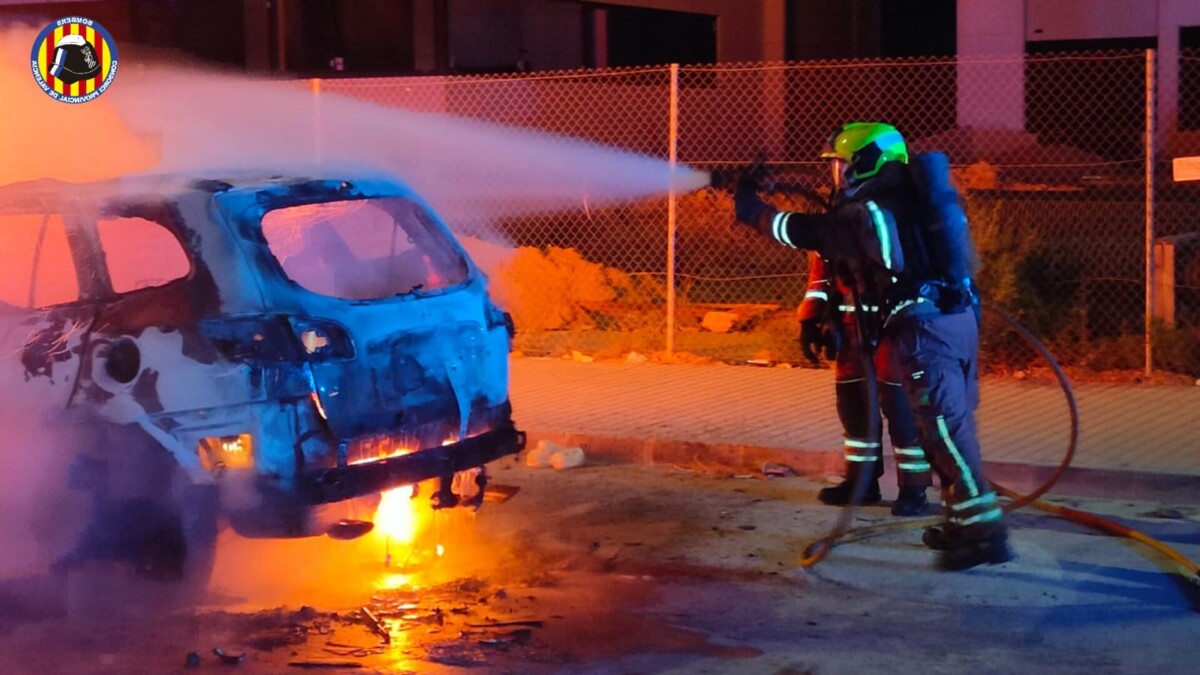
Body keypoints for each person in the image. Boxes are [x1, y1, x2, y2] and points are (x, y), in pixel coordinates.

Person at [736, 122, 1011, 570]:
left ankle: (985, 534)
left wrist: (750, 208)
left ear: (864, 162)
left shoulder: (872, 211)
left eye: (842, 163)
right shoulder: (910, 201)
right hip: (956, 321)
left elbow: (804, 231)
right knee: (950, 428)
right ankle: (966, 522)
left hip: (926, 333)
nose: (837, 174)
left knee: (943, 432)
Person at [798, 252, 932, 516]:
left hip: (897, 328)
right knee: (854, 408)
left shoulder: (902, 214)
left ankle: (914, 489)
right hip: (850, 331)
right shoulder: (834, 222)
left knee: (902, 410)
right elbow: (821, 273)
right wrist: (810, 319)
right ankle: (862, 482)